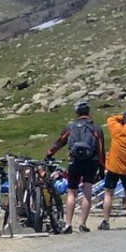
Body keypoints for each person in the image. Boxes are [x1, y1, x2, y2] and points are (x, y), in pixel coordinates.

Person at [45, 99, 105, 234]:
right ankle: (83, 224)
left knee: (72, 192)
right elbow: (101, 149)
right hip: (92, 162)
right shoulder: (96, 127)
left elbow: (60, 142)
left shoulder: (71, 127)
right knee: (87, 192)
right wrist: (102, 168)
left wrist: (49, 154)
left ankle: (68, 224)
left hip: (75, 162)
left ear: (77, 112)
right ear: (88, 112)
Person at [99, 109, 126, 230]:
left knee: (108, 194)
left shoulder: (118, 130)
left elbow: (110, 119)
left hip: (113, 166)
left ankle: (106, 221)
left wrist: (121, 117)